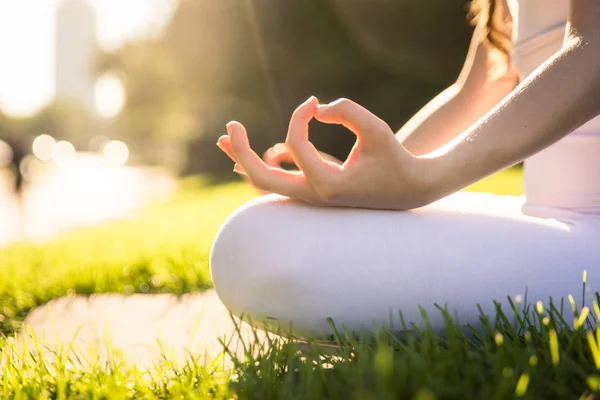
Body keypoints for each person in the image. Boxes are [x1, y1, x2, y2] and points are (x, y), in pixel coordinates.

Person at [211, 0, 600, 336]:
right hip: (549, 218)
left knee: (254, 245)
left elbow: (593, 52)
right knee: (265, 229)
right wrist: (357, 179)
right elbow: (481, 87)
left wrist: (424, 180)